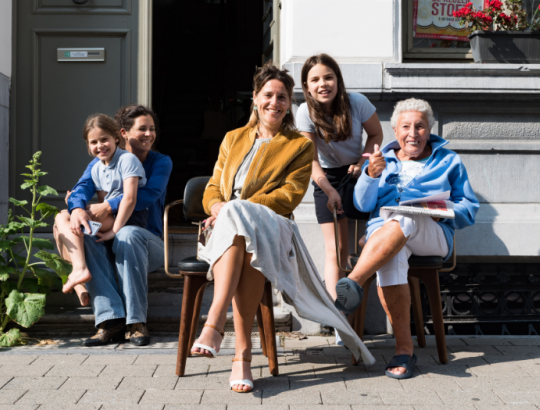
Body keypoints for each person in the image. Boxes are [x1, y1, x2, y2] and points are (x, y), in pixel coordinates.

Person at [191, 63, 375, 394]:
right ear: (255, 99)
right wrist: (219, 207)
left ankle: (215, 323)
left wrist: (237, 208)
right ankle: (242, 356)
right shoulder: (233, 138)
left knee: (243, 226)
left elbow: (288, 197)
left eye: (282, 97)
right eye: (268, 95)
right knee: (239, 234)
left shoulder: (299, 146)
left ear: (288, 103)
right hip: (224, 230)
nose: (274, 102)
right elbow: (213, 185)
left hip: (273, 227)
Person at [334, 98, 479, 379]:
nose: (413, 133)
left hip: (433, 234)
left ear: (430, 130)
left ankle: (353, 282)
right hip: (387, 235)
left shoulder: (448, 161)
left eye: (420, 126)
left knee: (407, 217)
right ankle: (404, 350)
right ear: (395, 131)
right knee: (392, 255)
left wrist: (442, 211)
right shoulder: (383, 160)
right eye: (406, 126)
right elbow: (364, 206)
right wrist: (369, 175)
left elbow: (469, 209)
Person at [53, 105, 173, 347]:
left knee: (127, 234)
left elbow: (147, 195)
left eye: (152, 129)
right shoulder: (102, 161)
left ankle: (135, 323)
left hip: (148, 242)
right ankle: (110, 321)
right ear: (123, 133)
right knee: (81, 228)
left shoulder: (160, 162)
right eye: (142, 129)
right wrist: (77, 209)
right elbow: (81, 189)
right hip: (109, 237)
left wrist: (107, 206)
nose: (148, 134)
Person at [296, 54, 383, 345]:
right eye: (315, 80)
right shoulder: (304, 112)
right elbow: (309, 159)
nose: (323, 84)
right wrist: (328, 189)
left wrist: (363, 160)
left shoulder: (357, 102)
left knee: (358, 247)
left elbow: (376, 134)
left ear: (338, 79)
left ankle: (358, 310)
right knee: (336, 250)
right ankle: (339, 320)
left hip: (358, 173)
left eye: (328, 77)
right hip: (325, 178)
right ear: (306, 87)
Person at [55, 114, 148, 299]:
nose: (100, 146)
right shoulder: (97, 167)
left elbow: (129, 199)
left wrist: (115, 229)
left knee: (63, 220)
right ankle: (79, 276)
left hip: (128, 217)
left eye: (104, 139)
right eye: (94, 142)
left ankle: (79, 275)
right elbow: (102, 198)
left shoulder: (127, 160)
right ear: (88, 145)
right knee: (63, 221)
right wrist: (78, 208)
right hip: (111, 216)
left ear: (116, 137)